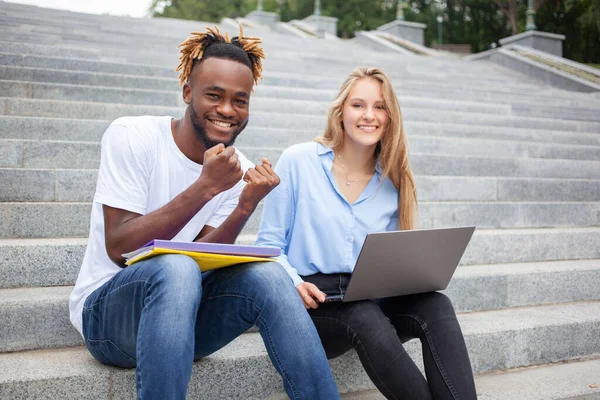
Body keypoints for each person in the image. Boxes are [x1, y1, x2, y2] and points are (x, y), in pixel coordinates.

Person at [68, 27, 341, 400]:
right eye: (214, 95)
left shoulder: (236, 168)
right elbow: (119, 247)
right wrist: (205, 187)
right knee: (175, 266)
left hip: (183, 321)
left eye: (239, 101)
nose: (227, 110)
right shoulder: (132, 136)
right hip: (109, 320)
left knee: (270, 275)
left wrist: (245, 204)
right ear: (187, 93)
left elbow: (203, 260)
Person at [256, 67, 478, 400]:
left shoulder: (392, 181)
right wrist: (294, 283)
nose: (369, 115)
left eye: (379, 107)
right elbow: (268, 247)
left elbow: (390, 260)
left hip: (366, 295)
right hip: (312, 304)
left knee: (436, 305)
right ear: (341, 111)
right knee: (363, 315)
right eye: (358, 105)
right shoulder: (298, 161)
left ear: (390, 117)